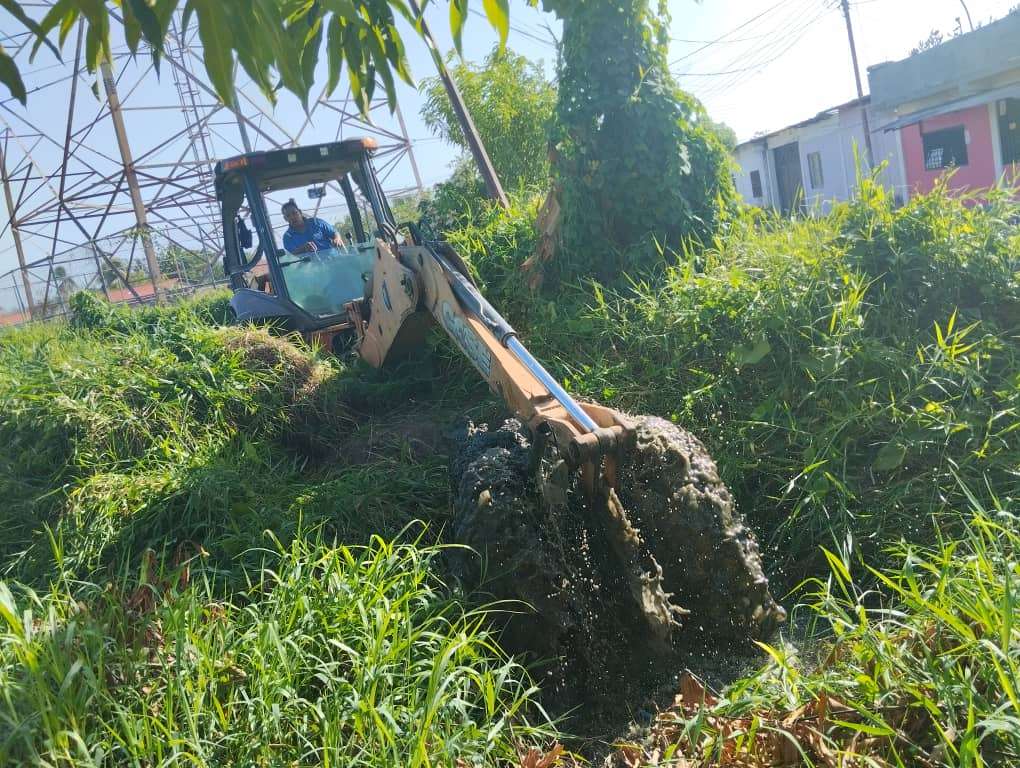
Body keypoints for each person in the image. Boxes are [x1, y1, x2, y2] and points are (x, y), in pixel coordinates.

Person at [280, 199, 345, 255]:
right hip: (312, 268)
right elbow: (291, 255)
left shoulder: (316, 223)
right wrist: (303, 249)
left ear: (300, 212)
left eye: (294, 213)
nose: (292, 217)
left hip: (334, 260)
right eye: (288, 216)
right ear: (285, 218)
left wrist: (337, 239)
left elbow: (334, 232)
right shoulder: (287, 237)